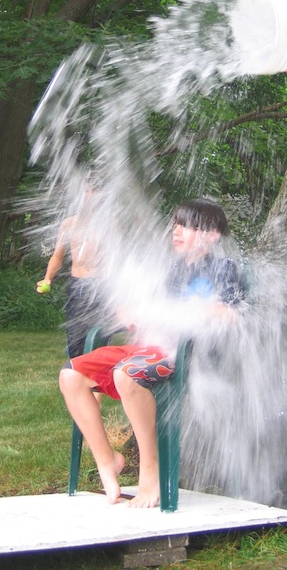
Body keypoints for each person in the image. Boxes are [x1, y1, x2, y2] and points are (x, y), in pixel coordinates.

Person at [58, 197, 245, 508]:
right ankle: (108, 461)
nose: (177, 231)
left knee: (127, 373)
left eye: (188, 226)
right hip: (149, 349)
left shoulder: (222, 269)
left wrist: (188, 311)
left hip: (186, 356)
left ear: (212, 236)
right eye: (176, 225)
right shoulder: (169, 269)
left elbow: (231, 314)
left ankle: (151, 469)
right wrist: (129, 312)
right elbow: (137, 305)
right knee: (71, 375)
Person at [37, 183, 103, 358]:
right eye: (85, 191)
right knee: (75, 339)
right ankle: (76, 372)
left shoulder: (109, 224)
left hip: (101, 286)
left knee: (99, 339)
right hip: (77, 286)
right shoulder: (68, 224)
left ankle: (97, 378)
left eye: (93, 191)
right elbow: (57, 257)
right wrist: (47, 278)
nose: (88, 196)